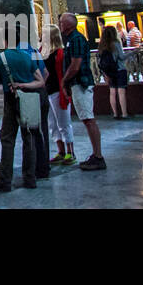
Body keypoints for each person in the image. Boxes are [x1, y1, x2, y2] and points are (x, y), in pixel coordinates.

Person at [0, 40, 46, 193]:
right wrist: (23, 85)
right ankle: (30, 178)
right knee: (29, 138)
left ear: (5, 41)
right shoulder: (27, 56)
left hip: (11, 100)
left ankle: (5, 180)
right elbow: (40, 81)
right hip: (29, 99)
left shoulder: (2, 57)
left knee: (7, 139)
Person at [59, 12, 105, 170]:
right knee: (86, 119)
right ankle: (96, 154)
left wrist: (64, 80)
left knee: (88, 119)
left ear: (68, 24)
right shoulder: (72, 40)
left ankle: (98, 156)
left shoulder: (76, 39)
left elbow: (75, 65)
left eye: (61, 22)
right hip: (77, 84)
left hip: (81, 84)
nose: (60, 25)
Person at [41, 26, 75, 165]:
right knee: (52, 124)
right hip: (47, 90)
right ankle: (60, 150)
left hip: (58, 90)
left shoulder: (60, 52)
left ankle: (70, 152)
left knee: (63, 122)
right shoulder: (43, 52)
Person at [98, 25, 129, 119]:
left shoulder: (101, 45)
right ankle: (124, 113)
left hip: (109, 72)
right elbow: (122, 57)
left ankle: (115, 113)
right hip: (119, 69)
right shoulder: (115, 43)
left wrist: (104, 73)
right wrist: (133, 52)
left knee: (112, 92)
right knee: (121, 92)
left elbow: (100, 60)